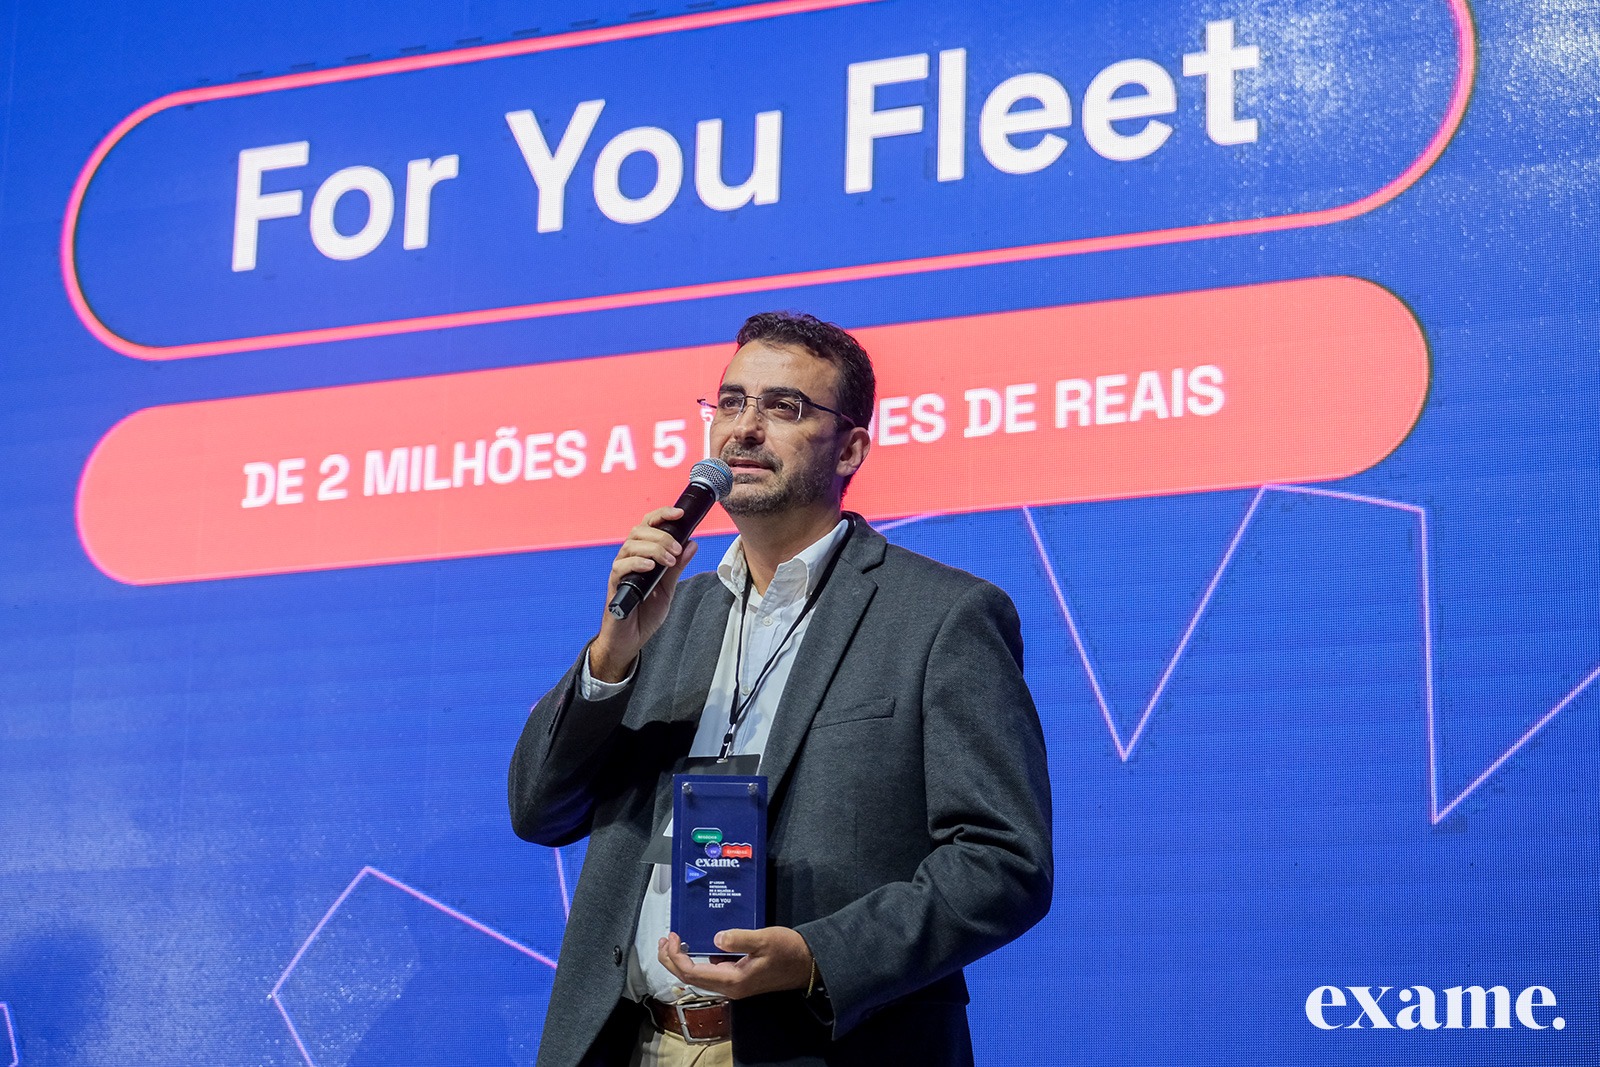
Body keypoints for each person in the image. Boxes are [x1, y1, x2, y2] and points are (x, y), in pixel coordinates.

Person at [509, 312, 1053, 1067]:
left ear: (851, 447)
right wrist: (612, 652)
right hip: (634, 1041)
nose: (745, 428)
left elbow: (1004, 862)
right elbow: (539, 809)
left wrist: (817, 956)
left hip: (824, 1048)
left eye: (784, 407)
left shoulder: (941, 617)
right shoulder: (662, 613)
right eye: (731, 402)